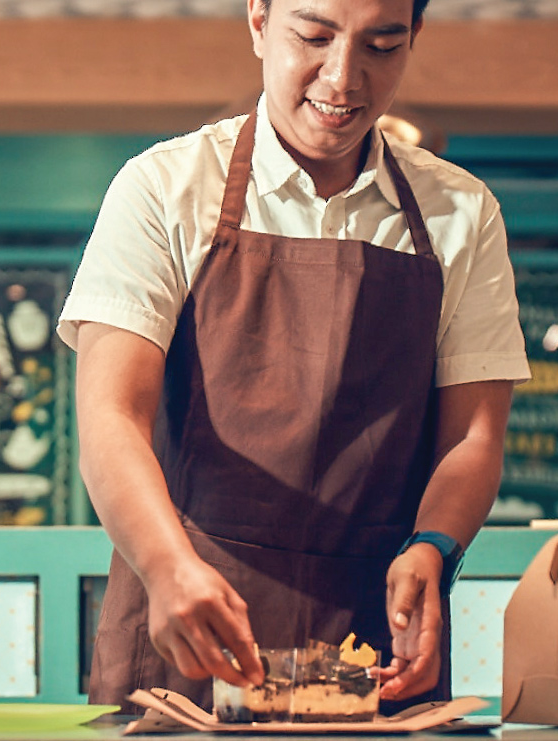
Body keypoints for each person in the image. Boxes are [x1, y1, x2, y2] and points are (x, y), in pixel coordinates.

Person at [56, 0, 528, 711]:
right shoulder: (163, 188)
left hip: (374, 637)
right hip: (187, 618)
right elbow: (111, 414)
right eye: (313, 37)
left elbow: (473, 436)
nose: (343, 78)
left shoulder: (462, 212)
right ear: (257, 20)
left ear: (414, 37)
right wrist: (165, 565)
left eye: (381, 46)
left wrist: (434, 545)